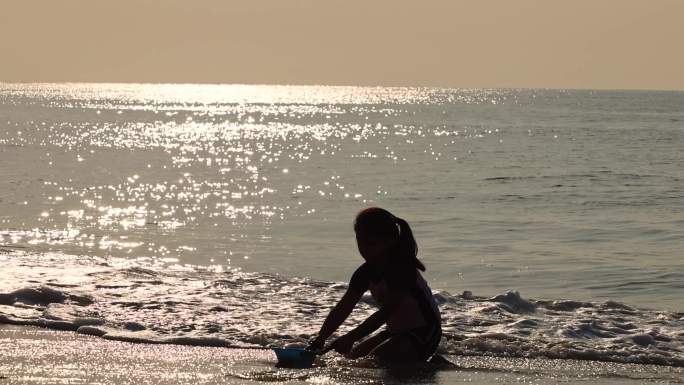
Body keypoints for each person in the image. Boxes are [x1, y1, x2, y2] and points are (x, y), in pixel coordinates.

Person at [307, 207, 441, 363]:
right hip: (394, 332)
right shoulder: (364, 273)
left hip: (425, 331)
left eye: (370, 243)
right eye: (360, 242)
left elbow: (386, 313)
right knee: (353, 359)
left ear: (389, 241)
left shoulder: (402, 270)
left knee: (375, 361)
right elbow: (343, 308)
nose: (364, 249)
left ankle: (435, 364)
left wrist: (350, 337)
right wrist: (321, 338)